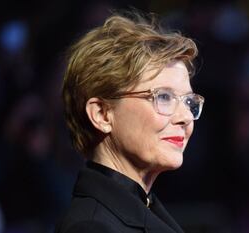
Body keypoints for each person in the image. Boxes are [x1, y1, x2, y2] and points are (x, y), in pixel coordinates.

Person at [55, 10, 204, 233]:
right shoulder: (91, 228)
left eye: (188, 101)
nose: (184, 117)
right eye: (163, 97)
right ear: (102, 114)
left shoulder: (145, 210)